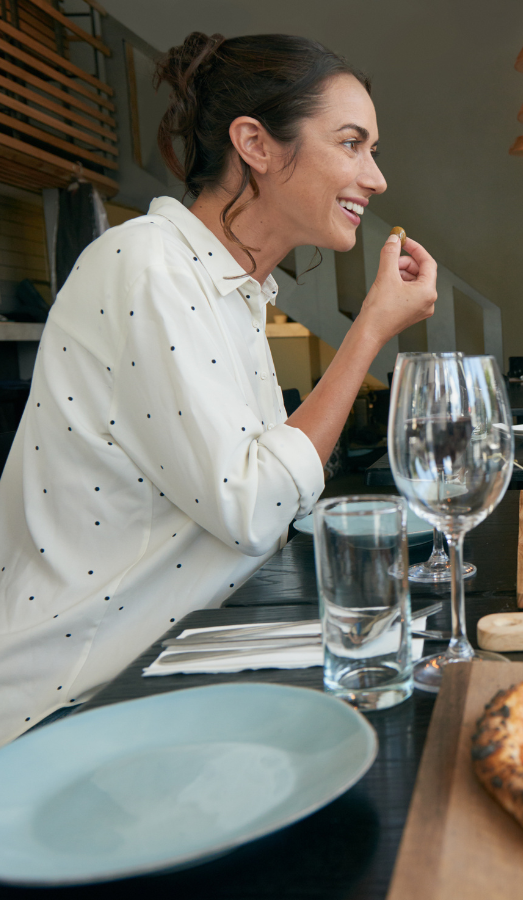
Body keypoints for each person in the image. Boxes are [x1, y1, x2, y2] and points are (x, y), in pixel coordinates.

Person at [0, 33, 436, 744]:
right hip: (73, 700)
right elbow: (254, 507)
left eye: (373, 150)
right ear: (256, 145)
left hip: (173, 661)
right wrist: (370, 332)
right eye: (353, 144)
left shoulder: (230, 289)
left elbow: (270, 494)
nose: (376, 178)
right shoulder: (147, 267)